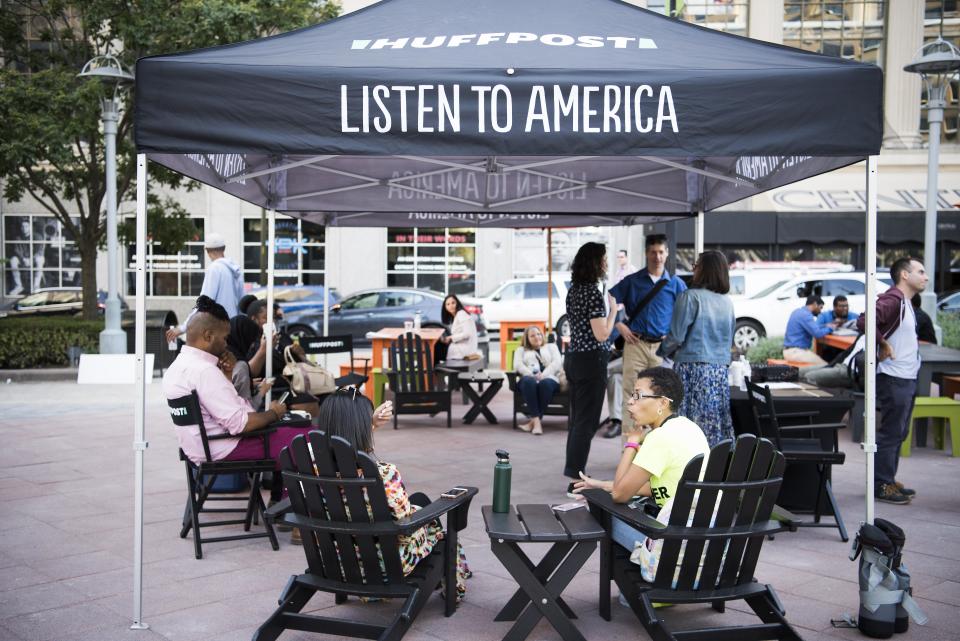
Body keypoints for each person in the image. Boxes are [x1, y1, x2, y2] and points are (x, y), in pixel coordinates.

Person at [317, 390, 471, 603]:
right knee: (434, 521)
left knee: (419, 499)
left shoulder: (311, 470)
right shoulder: (383, 474)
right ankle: (455, 580)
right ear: (360, 428)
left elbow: (343, 438)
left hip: (338, 560)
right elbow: (404, 526)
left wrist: (370, 423)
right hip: (385, 565)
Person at [161, 295, 307, 510]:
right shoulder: (203, 371)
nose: (227, 343)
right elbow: (241, 424)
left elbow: (224, 411)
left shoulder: (178, 367)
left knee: (291, 432)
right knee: (304, 441)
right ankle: (295, 513)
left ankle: (285, 505)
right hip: (222, 448)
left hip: (199, 448)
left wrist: (227, 377)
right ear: (208, 336)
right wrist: (274, 412)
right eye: (224, 337)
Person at [573, 367, 710, 579]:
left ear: (662, 403)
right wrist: (601, 484)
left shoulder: (659, 438)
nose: (630, 402)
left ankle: (640, 589)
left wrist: (632, 442)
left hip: (671, 545)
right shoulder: (690, 428)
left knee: (604, 513)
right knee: (619, 502)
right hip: (702, 538)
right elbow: (664, 487)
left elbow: (620, 494)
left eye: (637, 395)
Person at [857, 257, 928, 505]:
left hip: (906, 376)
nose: (926, 276)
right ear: (905, 275)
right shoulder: (894, 299)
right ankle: (881, 484)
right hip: (894, 377)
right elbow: (865, 320)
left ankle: (887, 478)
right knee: (891, 432)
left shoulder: (905, 302)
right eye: (920, 271)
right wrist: (883, 343)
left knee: (899, 431)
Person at [609, 234, 687, 434]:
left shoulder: (676, 284)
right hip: (635, 344)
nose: (657, 257)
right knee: (632, 397)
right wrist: (618, 323)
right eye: (653, 252)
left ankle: (655, 451)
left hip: (662, 349)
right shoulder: (632, 281)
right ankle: (628, 451)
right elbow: (608, 298)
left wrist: (673, 338)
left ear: (667, 253)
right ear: (646, 253)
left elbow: (685, 315)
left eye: (661, 252)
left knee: (663, 400)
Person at [658, 251, 736, 447]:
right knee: (714, 423)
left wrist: (661, 351)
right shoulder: (727, 302)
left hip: (692, 369)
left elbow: (676, 336)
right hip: (718, 371)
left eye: (697, 265)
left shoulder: (690, 297)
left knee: (688, 424)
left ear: (705, 269)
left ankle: (689, 471)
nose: (694, 268)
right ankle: (715, 468)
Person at [563, 242, 618, 497]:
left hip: (574, 358)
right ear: (595, 262)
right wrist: (614, 312)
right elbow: (601, 333)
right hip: (590, 360)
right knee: (586, 423)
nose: (606, 264)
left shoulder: (573, 290)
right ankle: (575, 479)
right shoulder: (592, 293)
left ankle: (574, 472)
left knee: (578, 421)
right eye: (604, 259)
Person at [166, 233, 244, 344]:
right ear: (224, 249)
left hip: (218, 331)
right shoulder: (235, 270)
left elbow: (204, 302)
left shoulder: (214, 268)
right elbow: (242, 302)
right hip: (234, 329)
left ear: (206, 250)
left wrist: (182, 328)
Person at [513, 325, 563, 435]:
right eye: (532, 336)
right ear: (527, 339)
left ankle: (533, 423)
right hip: (528, 378)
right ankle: (537, 423)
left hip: (550, 378)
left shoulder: (551, 347)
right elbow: (517, 365)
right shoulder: (521, 350)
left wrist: (543, 375)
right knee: (528, 382)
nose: (537, 337)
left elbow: (557, 362)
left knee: (545, 384)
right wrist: (530, 374)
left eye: (539, 334)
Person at [783, 295, 833, 366]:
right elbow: (817, 334)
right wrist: (831, 328)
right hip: (796, 352)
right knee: (826, 366)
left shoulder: (797, 312)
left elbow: (811, 327)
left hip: (789, 351)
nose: (820, 311)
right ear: (815, 304)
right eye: (820, 307)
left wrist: (825, 326)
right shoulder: (806, 315)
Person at [437, 294, 480, 361]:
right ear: (445, 307)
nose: (450, 306)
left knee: (436, 348)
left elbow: (467, 334)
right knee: (437, 347)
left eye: (453, 303)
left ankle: (433, 370)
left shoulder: (461, 314)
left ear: (457, 303)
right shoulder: (457, 315)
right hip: (465, 347)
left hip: (465, 350)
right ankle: (435, 370)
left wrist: (451, 338)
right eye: (447, 304)